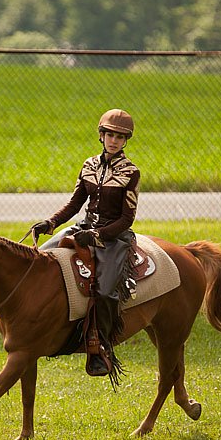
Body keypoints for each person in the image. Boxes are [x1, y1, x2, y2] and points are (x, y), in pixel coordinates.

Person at [32, 109, 140, 379]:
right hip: (83, 227)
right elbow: (75, 203)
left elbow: (127, 219)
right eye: (109, 135)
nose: (113, 141)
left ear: (125, 140)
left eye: (119, 137)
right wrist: (51, 223)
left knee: (105, 291)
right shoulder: (89, 165)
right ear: (101, 136)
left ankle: (102, 346)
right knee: (39, 260)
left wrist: (98, 236)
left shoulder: (131, 173)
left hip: (114, 238)